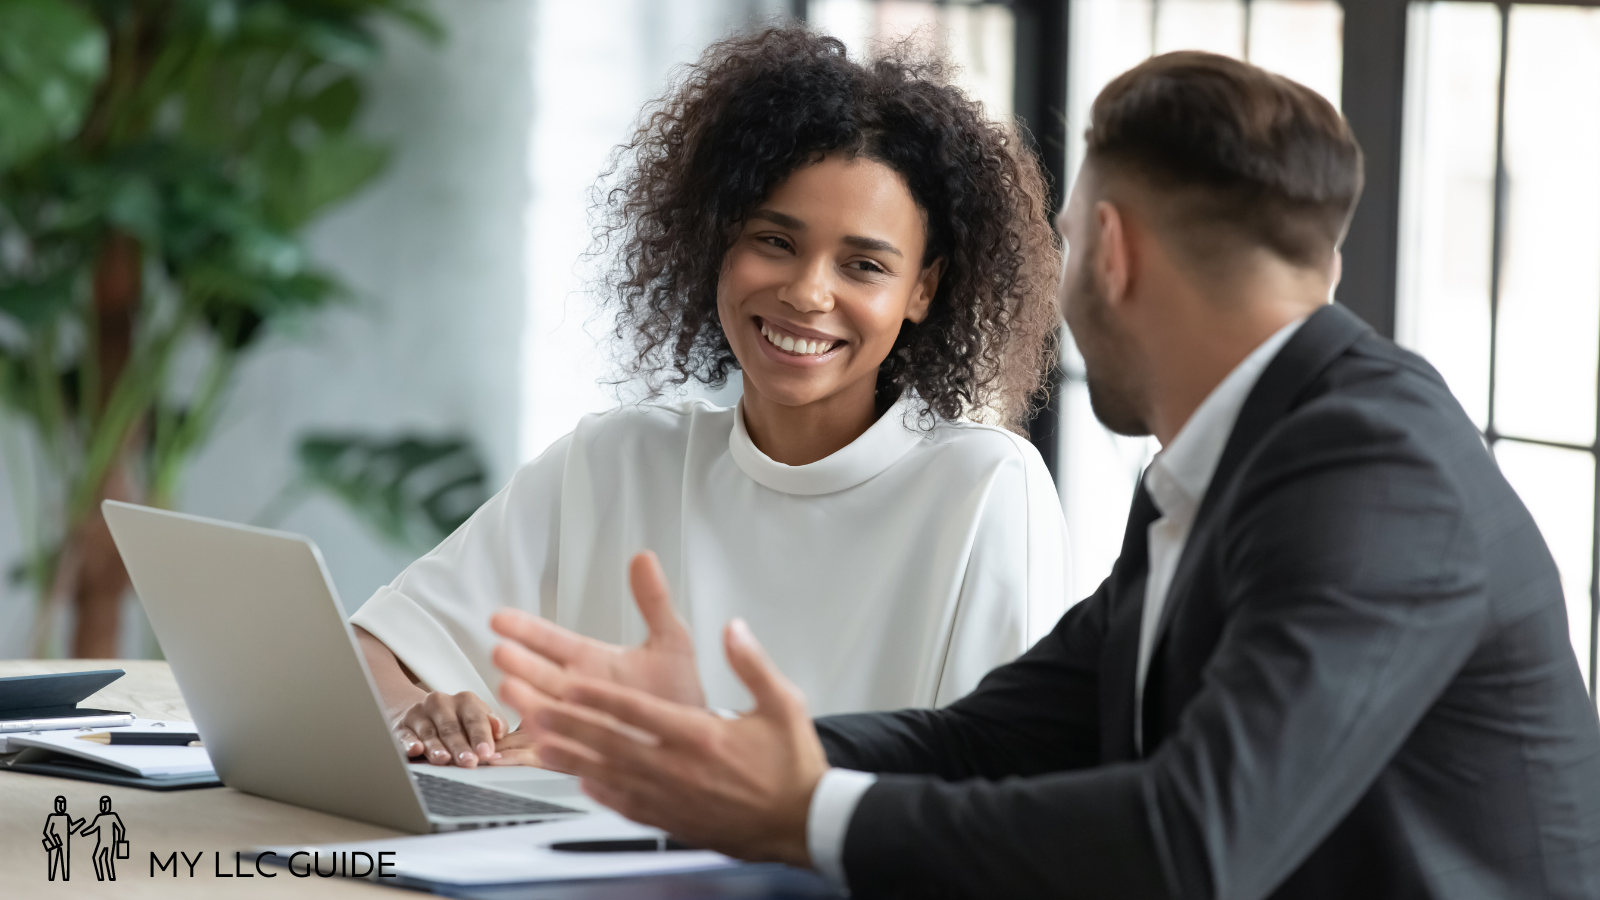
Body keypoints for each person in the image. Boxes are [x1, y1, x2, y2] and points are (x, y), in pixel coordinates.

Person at [490, 51, 1600, 899]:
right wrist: (721, 751)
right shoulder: (1224, 466)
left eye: (1064, 242)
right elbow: (987, 740)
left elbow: (1193, 842)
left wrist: (806, 815)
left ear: (1109, 252)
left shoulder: (1372, 473)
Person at [351, 25, 1067, 771]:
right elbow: (365, 650)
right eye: (775, 242)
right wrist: (417, 712)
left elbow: (998, 792)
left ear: (923, 288)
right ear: (718, 241)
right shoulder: (618, 459)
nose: (806, 292)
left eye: (862, 265)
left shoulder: (984, 490)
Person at [79, 795, 126, 882]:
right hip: (104, 842)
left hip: (108, 842)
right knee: (100, 858)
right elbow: (93, 828)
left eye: (105, 804)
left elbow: (121, 829)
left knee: (104, 858)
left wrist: (121, 840)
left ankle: (108, 876)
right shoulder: (100, 817)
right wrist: (84, 832)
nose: (104, 806)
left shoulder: (112, 816)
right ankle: (104, 876)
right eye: (103, 804)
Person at [42, 795, 83, 881]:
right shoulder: (52, 817)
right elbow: (47, 831)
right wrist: (53, 841)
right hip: (55, 843)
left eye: (62, 805)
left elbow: (71, 830)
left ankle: (64, 878)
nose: (61, 807)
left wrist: (80, 822)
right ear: (56, 806)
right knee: (53, 862)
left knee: (64, 863)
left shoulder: (66, 817)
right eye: (59, 804)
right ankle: (52, 877)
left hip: (65, 843)